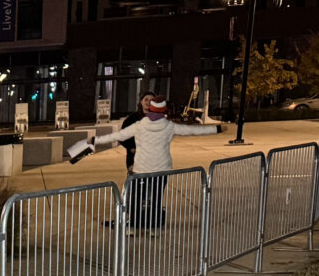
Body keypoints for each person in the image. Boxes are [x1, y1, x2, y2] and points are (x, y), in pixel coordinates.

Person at [68, 94, 220, 229]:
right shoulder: (169, 126)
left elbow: (118, 136)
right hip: (162, 169)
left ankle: (133, 224)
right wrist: (216, 130)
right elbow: (193, 131)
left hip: (141, 168)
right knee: (156, 198)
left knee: (135, 197)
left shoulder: (139, 125)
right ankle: (153, 225)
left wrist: (95, 140)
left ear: (152, 110)